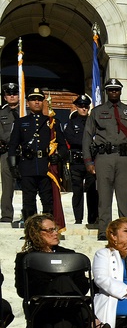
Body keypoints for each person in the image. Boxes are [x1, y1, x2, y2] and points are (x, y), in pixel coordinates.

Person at [14, 213, 94, 328]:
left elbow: (82, 287)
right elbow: (23, 290)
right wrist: (55, 283)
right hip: (43, 307)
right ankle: (91, 320)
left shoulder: (70, 255)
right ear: (36, 233)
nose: (56, 233)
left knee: (64, 310)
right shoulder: (26, 258)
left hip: (71, 308)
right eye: (50, 230)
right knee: (63, 280)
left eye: (55, 229)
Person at [83, 78, 127, 241]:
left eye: (116, 90)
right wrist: (88, 161)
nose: (114, 92)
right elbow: (87, 136)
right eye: (111, 89)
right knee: (104, 196)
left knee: (125, 197)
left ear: (120, 91)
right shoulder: (97, 111)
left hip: (125, 158)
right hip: (104, 157)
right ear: (106, 91)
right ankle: (104, 230)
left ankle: (126, 231)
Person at [7, 87, 64, 222]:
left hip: (46, 167)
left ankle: (47, 231)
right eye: (33, 99)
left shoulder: (52, 122)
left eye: (39, 99)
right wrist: (13, 166)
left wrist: (59, 156)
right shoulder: (20, 123)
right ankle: (30, 231)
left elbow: (63, 145)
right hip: (27, 166)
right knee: (28, 201)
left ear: (43, 102)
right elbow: (13, 145)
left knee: (48, 201)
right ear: (28, 103)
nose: (37, 102)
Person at [63, 94, 98, 226]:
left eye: (86, 106)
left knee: (92, 191)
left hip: (91, 162)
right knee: (77, 192)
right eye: (81, 106)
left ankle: (92, 219)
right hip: (77, 161)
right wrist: (87, 142)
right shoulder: (71, 123)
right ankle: (78, 219)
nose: (84, 109)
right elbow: (71, 139)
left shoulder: (93, 122)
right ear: (76, 107)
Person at [0, 82, 20, 225]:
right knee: (7, 185)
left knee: (28, 184)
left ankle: (28, 214)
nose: (12, 96)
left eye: (15, 93)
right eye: (9, 94)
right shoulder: (1, 113)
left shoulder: (26, 111)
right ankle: (7, 215)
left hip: (24, 152)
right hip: (7, 152)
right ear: (5, 97)